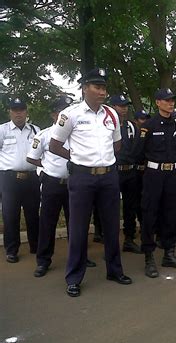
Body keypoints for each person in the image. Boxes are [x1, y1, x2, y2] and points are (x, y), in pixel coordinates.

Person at [49, 68, 132, 297]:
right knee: (79, 227)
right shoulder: (71, 114)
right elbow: (54, 145)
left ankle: (114, 270)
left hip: (108, 176)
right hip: (82, 177)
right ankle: (74, 277)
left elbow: (117, 145)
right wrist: (76, 159)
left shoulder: (112, 115)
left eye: (104, 87)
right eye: (97, 87)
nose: (102, 92)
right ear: (85, 88)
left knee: (112, 225)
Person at [133, 88, 176, 278]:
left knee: (170, 214)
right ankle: (149, 257)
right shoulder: (148, 126)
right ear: (157, 102)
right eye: (166, 100)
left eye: (172, 100)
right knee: (150, 214)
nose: (171, 103)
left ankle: (169, 253)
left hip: (172, 175)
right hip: (153, 175)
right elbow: (138, 153)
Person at [27, 96, 73, 276]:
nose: (66, 116)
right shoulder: (44, 135)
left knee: (76, 222)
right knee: (47, 223)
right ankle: (43, 260)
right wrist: (46, 169)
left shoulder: (76, 134)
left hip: (74, 184)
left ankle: (79, 256)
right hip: (52, 183)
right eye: (62, 112)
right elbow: (31, 157)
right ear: (54, 115)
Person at [0, 98, 40, 263]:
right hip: (9, 179)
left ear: (26, 112)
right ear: (10, 111)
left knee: (33, 214)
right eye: (15, 109)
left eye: (21, 109)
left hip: (31, 179)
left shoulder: (36, 130)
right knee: (10, 215)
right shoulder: (2, 130)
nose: (18, 113)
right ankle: (11, 250)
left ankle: (35, 246)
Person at [109, 94, 142, 254]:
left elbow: (137, 147)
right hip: (114, 172)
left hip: (130, 171)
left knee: (130, 207)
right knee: (111, 208)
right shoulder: (106, 125)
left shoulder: (132, 126)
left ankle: (129, 239)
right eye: (120, 106)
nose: (124, 109)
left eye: (125, 106)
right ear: (112, 107)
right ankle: (111, 241)